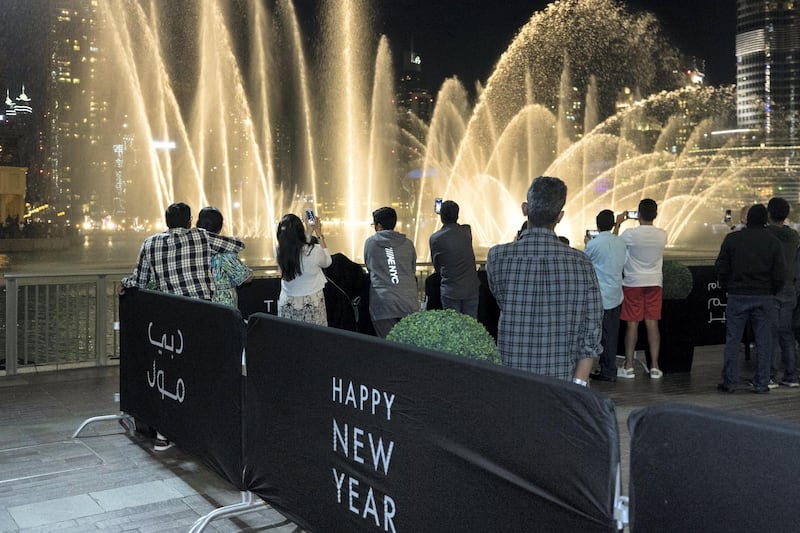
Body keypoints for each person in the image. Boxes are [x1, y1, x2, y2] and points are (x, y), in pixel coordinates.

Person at [121, 202, 245, 451]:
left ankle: (164, 435)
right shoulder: (201, 237)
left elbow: (139, 280)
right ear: (190, 221)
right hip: (202, 317)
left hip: (171, 322)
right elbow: (236, 246)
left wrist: (124, 283)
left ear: (166, 221)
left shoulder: (150, 243)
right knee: (204, 373)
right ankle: (206, 431)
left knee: (171, 376)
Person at [487, 176, 602, 384]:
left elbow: (501, 300)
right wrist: (579, 384)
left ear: (525, 209)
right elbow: (591, 329)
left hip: (511, 378)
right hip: (561, 382)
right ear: (560, 216)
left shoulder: (497, 257)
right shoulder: (581, 263)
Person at [715, 204, 785, 393]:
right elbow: (780, 273)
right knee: (764, 341)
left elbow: (721, 267)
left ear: (747, 219)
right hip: (764, 295)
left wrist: (726, 287)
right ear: (765, 219)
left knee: (733, 340)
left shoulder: (732, 239)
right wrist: (772, 290)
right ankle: (762, 382)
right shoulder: (773, 242)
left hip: (738, 295)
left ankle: (730, 382)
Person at [615, 199, 667, 379]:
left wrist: (618, 223)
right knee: (652, 324)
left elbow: (615, 245)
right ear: (656, 214)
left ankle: (628, 366)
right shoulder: (662, 234)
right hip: (654, 282)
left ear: (638, 214)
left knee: (632, 324)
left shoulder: (630, 234)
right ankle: (655, 366)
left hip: (633, 282)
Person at [585, 209, 626, 382]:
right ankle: (608, 367)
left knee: (595, 334)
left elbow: (584, 263)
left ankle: (605, 369)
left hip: (598, 296)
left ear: (597, 224)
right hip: (616, 294)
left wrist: (586, 243)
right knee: (611, 334)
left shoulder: (593, 245)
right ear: (612, 224)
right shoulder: (620, 242)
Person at [364, 206, 418, 337]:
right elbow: (412, 269)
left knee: (388, 347)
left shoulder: (370, 243)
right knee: (408, 345)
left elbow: (369, 266)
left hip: (383, 304)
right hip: (408, 302)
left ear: (378, 226)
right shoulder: (408, 243)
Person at [766, 197, 799, 387]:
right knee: (786, 333)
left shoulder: (767, 234)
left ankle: (770, 375)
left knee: (771, 333)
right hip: (790, 288)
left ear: (769, 214)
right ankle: (791, 376)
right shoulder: (793, 236)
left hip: (771, 288)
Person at [276, 213, 332, 325]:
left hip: (287, 302)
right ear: (300, 230)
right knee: (314, 338)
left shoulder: (278, 251)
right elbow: (328, 262)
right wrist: (318, 233)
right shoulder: (314, 251)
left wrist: (310, 231)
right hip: (311, 302)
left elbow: (296, 248)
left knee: (290, 338)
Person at [428, 200, 480, 318]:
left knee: (453, 328)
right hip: (471, 288)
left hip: (450, 290)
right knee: (471, 327)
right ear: (458, 215)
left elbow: (437, 266)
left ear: (441, 216)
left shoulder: (435, 238)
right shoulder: (466, 231)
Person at [195, 206, 252, 308]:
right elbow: (245, 278)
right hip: (223, 308)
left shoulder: (191, 251)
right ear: (220, 226)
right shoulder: (224, 255)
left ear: (198, 224)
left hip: (200, 305)